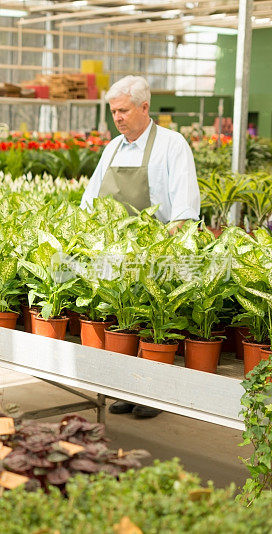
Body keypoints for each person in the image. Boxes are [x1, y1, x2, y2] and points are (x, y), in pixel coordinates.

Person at [80, 75, 201, 419]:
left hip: (157, 252)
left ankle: (152, 395)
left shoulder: (171, 145)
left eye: (123, 110)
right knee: (122, 323)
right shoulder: (113, 148)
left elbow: (186, 209)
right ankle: (125, 389)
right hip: (116, 253)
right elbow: (90, 201)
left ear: (144, 107)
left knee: (153, 327)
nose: (117, 118)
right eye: (113, 112)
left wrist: (162, 245)